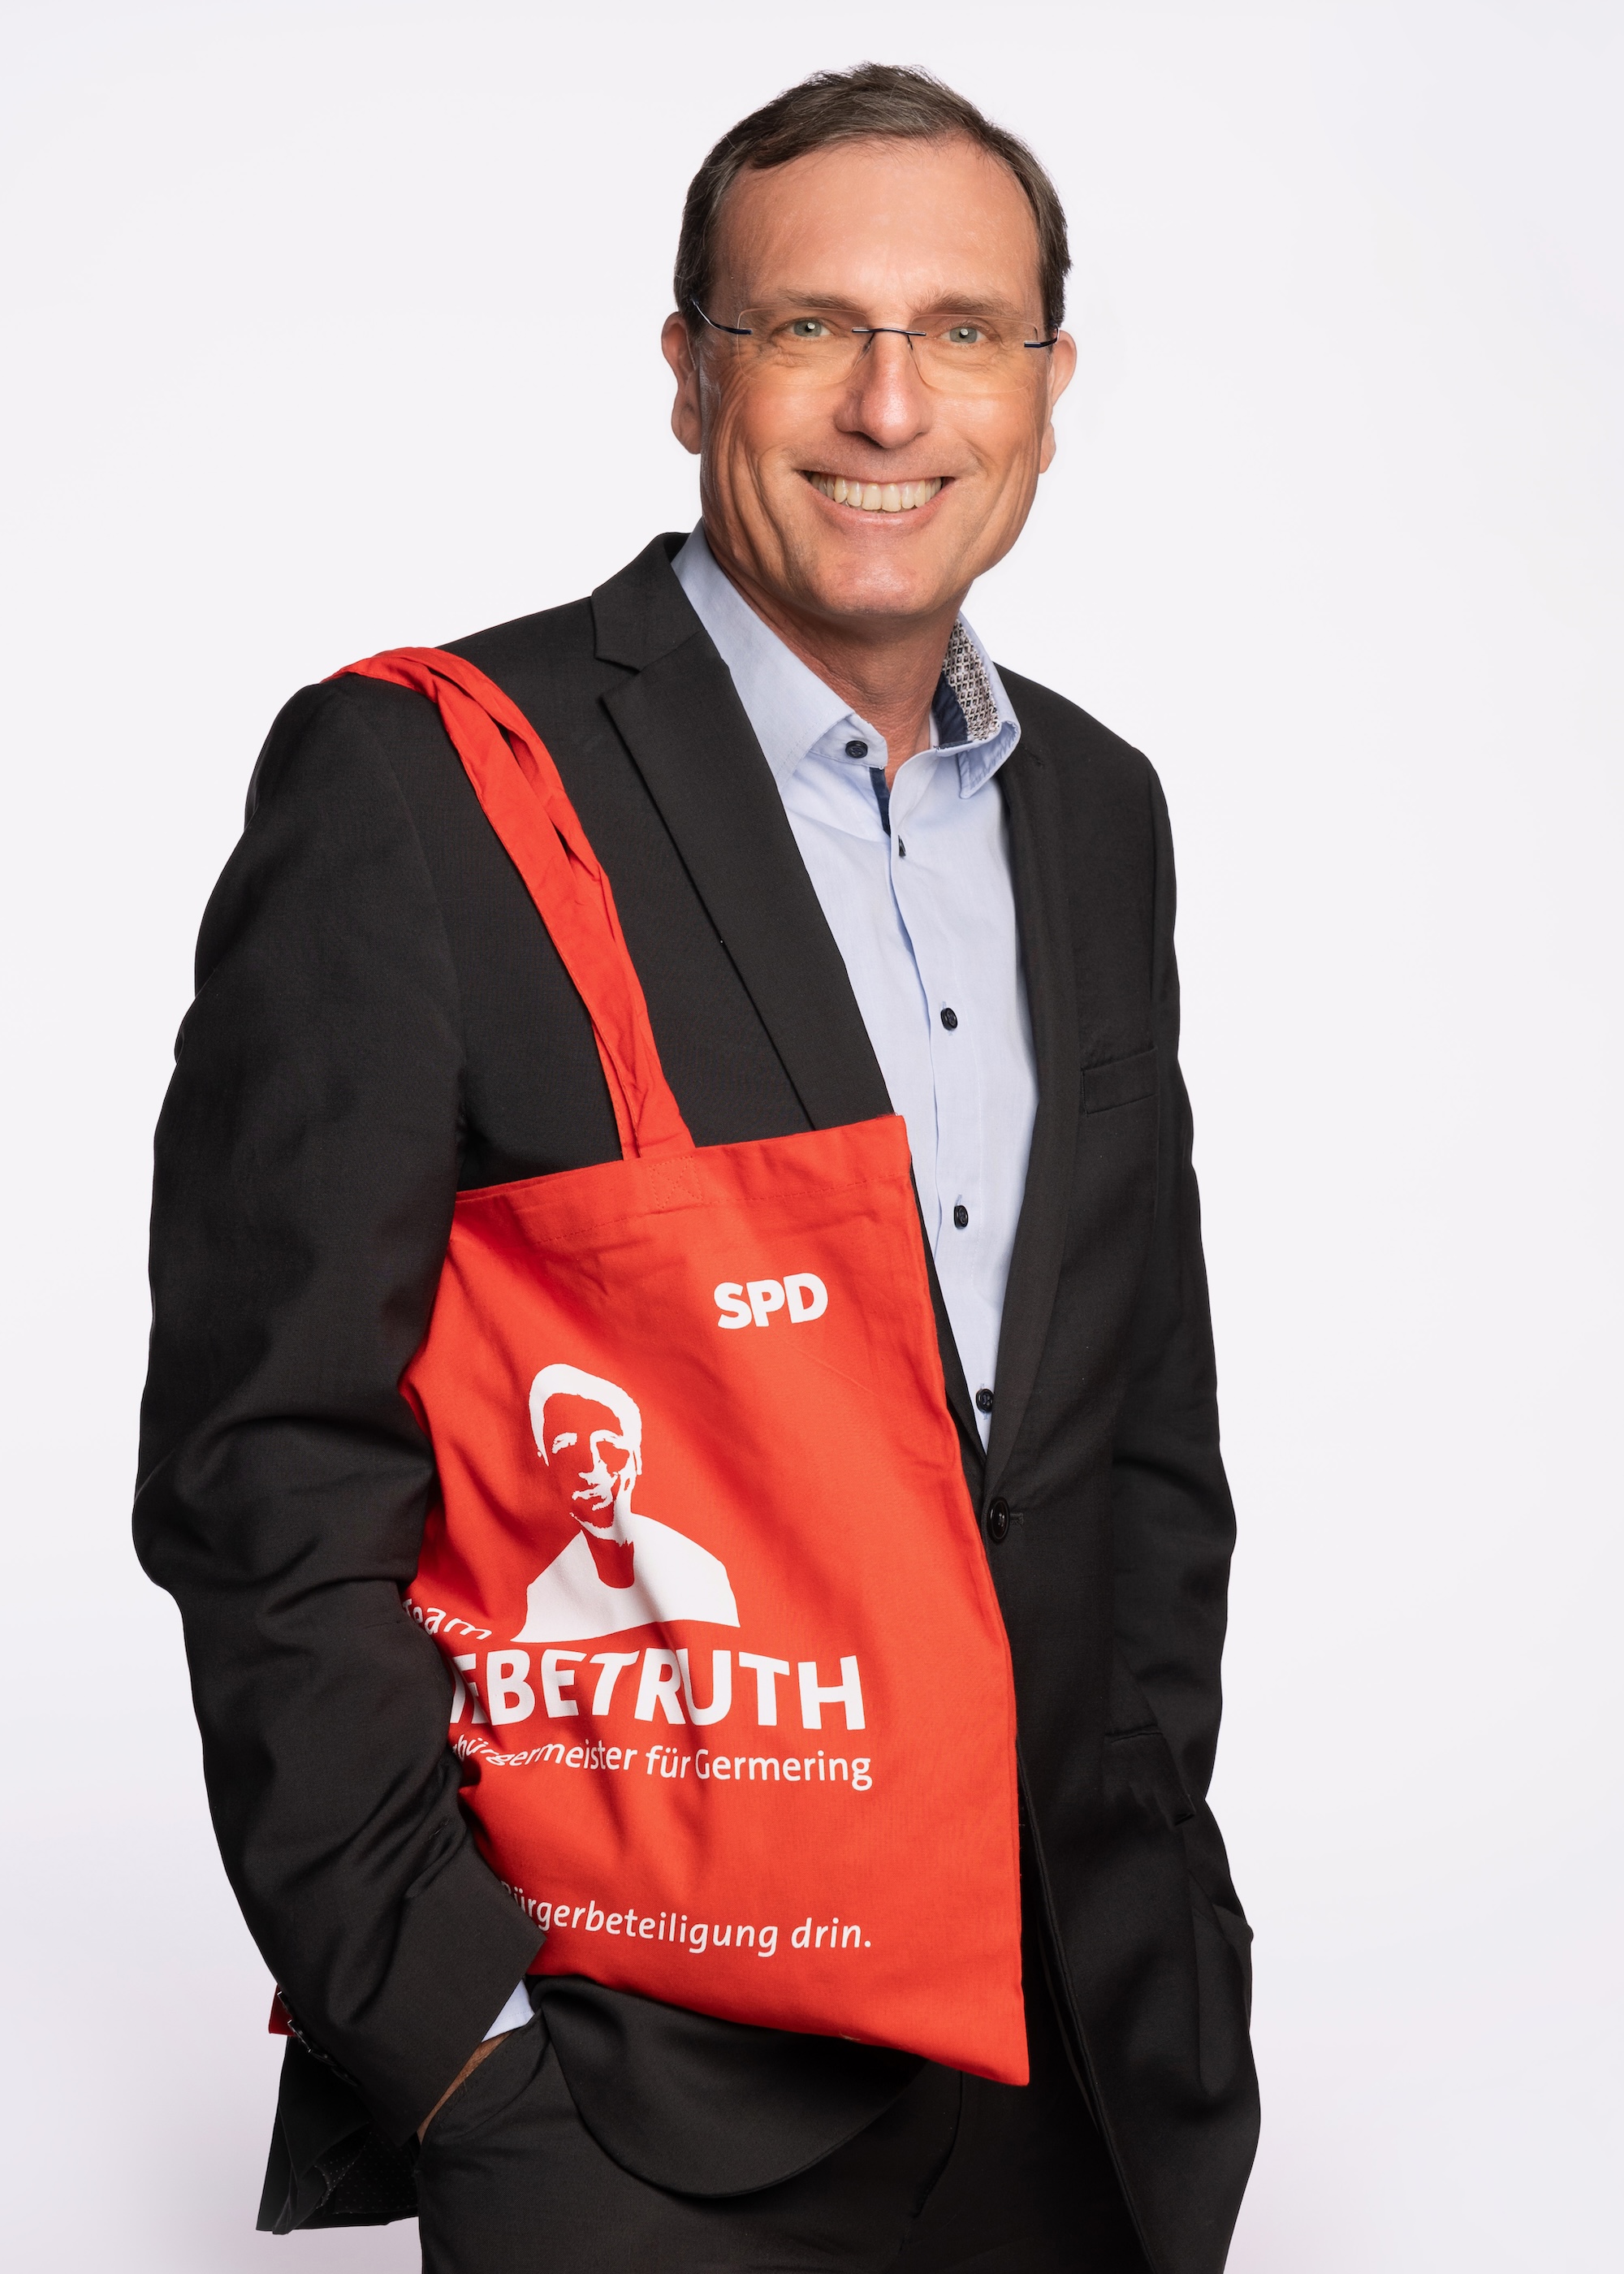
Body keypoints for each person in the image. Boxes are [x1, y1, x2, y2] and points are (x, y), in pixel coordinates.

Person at [136, 61, 1258, 2274]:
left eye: (960, 331)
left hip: (1086, 2062)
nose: (886, 403)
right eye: (808, 325)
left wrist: (1164, 1895)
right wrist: (453, 2039)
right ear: (687, 372)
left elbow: (1131, 1428)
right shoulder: (427, 781)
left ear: (1046, 389)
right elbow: (266, 1463)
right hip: (641, 2094)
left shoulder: (1095, 810)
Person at [518, 1364, 740, 1639]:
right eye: (566, 1446)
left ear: (636, 1460)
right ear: (546, 1463)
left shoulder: (703, 1573)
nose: (590, 1466)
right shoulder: (541, 1592)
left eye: (608, 1443)